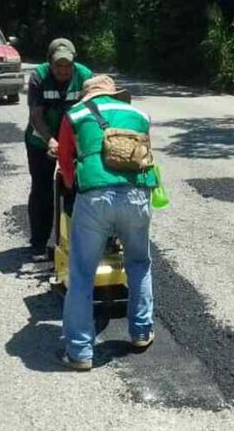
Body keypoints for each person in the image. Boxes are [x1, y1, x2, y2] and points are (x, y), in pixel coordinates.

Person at [55, 75, 157, 371]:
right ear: (115, 94)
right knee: (139, 263)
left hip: (96, 199)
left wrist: (76, 187)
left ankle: (80, 352)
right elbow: (146, 156)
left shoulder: (75, 115)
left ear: (87, 96)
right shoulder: (139, 115)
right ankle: (140, 332)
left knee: (83, 273)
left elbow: (65, 162)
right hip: (138, 195)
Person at [24, 38, 93, 261]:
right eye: (58, 66)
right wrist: (51, 141)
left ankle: (74, 242)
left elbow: (90, 113)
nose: (63, 71)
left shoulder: (85, 77)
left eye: (67, 66)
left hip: (73, 140)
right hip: (41, 139)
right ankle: (38, 244)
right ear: (50, 63)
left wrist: (74, 144)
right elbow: (35, 116)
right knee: (42, 189)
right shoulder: (38, 77)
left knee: (75, 188)